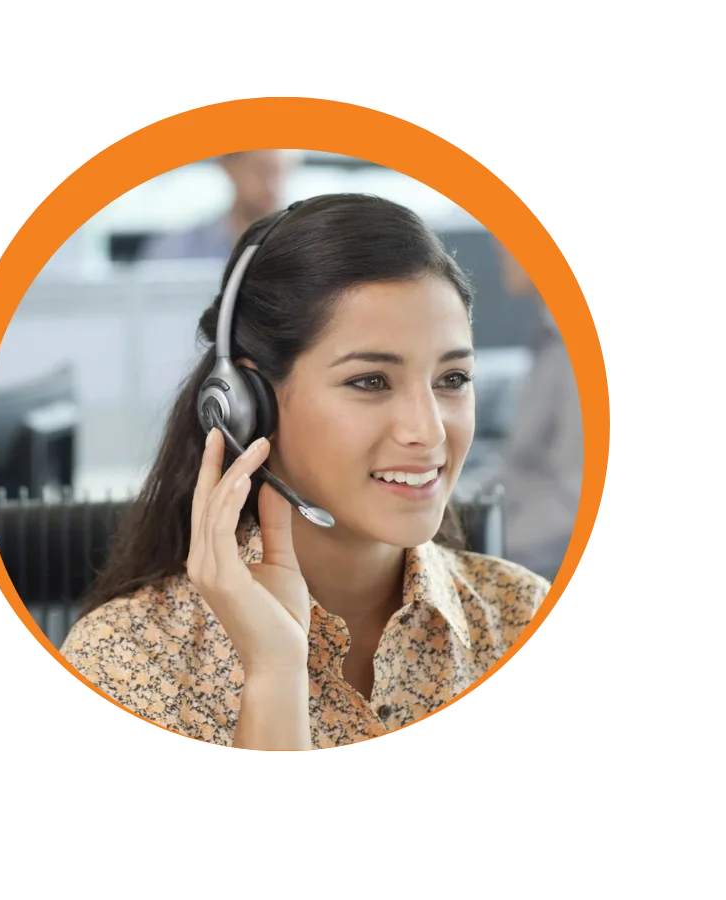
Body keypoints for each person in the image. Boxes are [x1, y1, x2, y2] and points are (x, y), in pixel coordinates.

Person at [60, 194, 552, 751]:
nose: (431, 431)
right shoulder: (129, 660)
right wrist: (274, 676)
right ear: (246, 406)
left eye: (453, 379)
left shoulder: (520, 615)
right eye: (370, 381)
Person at [489, 241, 584, 581]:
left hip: (539, 566)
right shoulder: (551, 337)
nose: (499, 245)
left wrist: (481, 546)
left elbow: (576, 504)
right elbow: (520, 470)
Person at [136, 150, 299, 262]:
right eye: (261, 171)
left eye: (283, 171)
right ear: (228, 167)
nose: (273, 186)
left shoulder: (304, 249)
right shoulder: (173, 253)